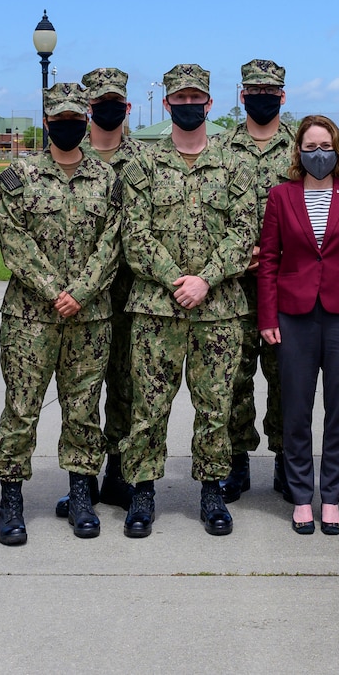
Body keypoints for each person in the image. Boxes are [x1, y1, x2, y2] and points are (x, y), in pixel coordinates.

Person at [118, 63, 255, 538]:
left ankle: (212, 491)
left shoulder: (236, 164)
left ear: (210, 104)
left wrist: (207, 280)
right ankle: (141, 492)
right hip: (157, 309)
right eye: (180, 99)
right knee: (149, 406)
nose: (189, 106)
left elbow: (244, 234)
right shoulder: (142, 166)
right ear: (167, 104)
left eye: (197, 99)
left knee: (215, 406)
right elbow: (133, 238)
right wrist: (180, 280)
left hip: (218, 311)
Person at [0, 83, 121, 542]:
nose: (67, 126)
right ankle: (11, 498)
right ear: (46, 122)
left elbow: (112, 243)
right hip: (30, 318)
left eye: (74, 118)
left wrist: (80, 292)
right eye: (58, 119)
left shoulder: (107, 179)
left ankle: (81, 494)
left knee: (83, 409)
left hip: (90, 318)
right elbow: (14, 241)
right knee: (21, 409)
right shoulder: (18, 176)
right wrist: (53, 291)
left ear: (86, 120)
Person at [257, 115, 339, 535]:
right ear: (298, 151)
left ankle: (331, 497)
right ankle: (299, 497)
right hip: (294, 317)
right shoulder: (280, 196)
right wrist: (268, 316)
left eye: (325, 146)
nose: (318, 154)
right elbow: (269, 260)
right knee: (295, 409)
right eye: (310, 146)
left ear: (338, 149)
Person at [66, 66, 148, 516]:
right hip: (82, 298)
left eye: (116, 102)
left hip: (131, 294)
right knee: (82, 390)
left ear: (127, 106)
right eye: (99, 104)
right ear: (88, 109)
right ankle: (83, 477)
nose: (108, 109)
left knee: (128, 386)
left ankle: (121, 471)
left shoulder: (144, 160)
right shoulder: (70, 155)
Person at [215, 59, 293, 502]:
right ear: (242, 96)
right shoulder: (223, 148)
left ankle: (286, 460)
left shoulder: (300, 147)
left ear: (282, 96)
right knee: (233, 376)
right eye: (254, 91)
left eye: (270, 91)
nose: (262, 97)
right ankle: (236, 461)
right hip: (234, 284)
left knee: (286, 376)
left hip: (287, 283)